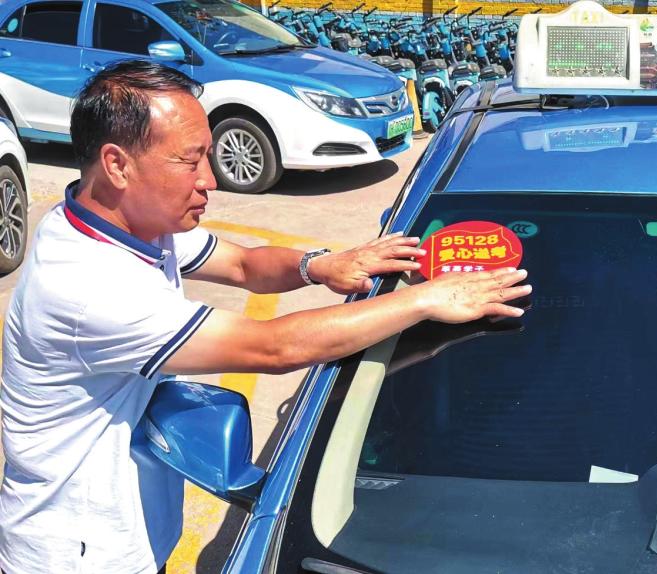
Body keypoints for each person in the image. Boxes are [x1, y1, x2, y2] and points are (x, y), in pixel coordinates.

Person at [0, 60, 530, 574]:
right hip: (78, 554)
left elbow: (243, 264)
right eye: (190, 160)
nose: (210, 179)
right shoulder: (89, 286)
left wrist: (320, 265)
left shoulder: (128, 223)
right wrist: (424, 300)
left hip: (125, 533)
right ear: (118, 165)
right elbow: (274, 347)